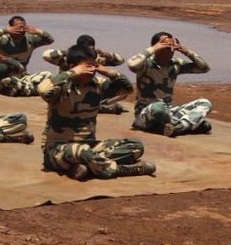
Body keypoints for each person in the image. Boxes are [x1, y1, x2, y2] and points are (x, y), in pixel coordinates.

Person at [36, 45, 155, 180]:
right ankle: (122, 170)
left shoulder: (97, 85)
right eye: (87, 66)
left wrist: (109, 72)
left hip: (89, 145)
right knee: (81, 151)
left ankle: (85, 167)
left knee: (135, 146)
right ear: (73, 66)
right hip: (58, 149)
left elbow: (127, 89)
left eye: (94, 65)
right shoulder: (62, 86)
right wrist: (72, 72)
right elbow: (44, 90)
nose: (92, 69)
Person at [127, 32, 212, 137]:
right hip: (146, 113)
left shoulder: (176, 65)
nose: (170, 50)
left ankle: (178, 127)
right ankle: (186, 125)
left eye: (172, 46)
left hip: (168, 111)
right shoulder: (146, 65)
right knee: (158, 108)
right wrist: (153, 48)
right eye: (166, 46)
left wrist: (186, 51)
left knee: (204, 103)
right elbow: (131, 64)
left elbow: (204, 68)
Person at [42, 35, 133, 114]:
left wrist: (106, 56)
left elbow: (120, 60)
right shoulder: (66, 59)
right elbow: (46, 55)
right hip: (68, 89)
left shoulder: (95, 59)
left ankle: (99, 105)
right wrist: (74, 54)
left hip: (88, 88)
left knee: (119, 91)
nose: (91, 68)